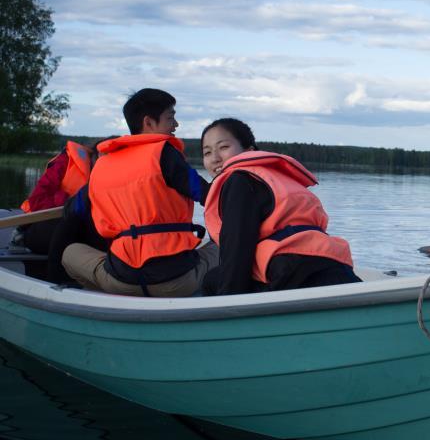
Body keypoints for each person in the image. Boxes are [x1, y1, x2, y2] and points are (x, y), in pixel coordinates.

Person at [61, 88, 218, 297]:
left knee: (70, 253)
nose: (176, 125)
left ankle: (109, 301)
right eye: (170, 117)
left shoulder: (102, 164)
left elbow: (72, 210)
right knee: (224, 243)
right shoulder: (165, 154)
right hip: (177, 282)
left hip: (121, 280)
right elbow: (212, 197)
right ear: (149, 122)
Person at [199, 118, 360, 296]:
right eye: (207, 153)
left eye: (223, 147)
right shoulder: (275, 177)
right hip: (335, 267)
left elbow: (237, 247)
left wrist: (228, 304)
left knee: (212, 280)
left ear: (249, 150)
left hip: (295, 275)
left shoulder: (239, 180)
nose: (214, 159)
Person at [13, 140, 96, 256]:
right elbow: (37, 200)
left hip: (78, 227)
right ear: (96, 155)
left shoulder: (109, 177)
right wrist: (70, 203)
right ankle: (21, 238)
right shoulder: (64, 162)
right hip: (40, 222)